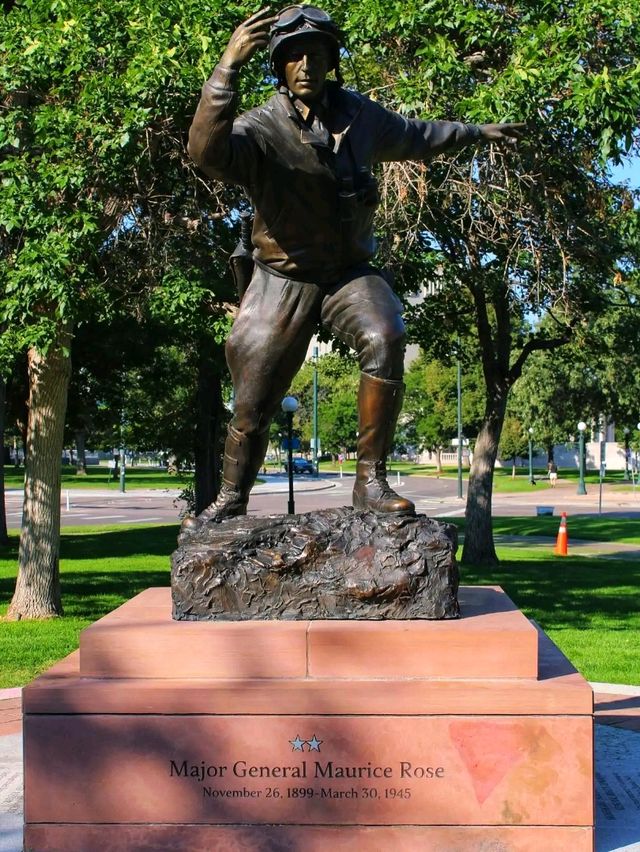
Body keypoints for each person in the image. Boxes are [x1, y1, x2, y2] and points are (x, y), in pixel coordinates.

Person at [185, 5, 524, 529]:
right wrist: (227, 66)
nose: (306, 65)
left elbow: (418, 135)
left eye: (317, 55)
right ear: (277, 66)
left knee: (387, 334)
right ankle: (231, 497)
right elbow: (206, 152)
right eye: (294, 56)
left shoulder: (360, 116)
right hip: (283, 276)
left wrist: (476, 132)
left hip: (348, 272)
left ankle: (371, 480)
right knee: (251, 403)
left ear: (331, 61)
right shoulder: (259, 128)